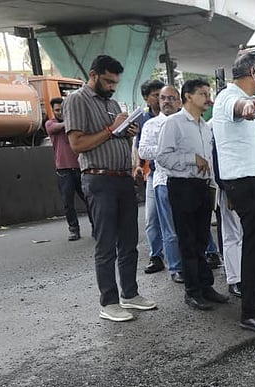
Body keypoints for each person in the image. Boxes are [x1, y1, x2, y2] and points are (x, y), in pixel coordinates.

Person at [65, 54, 157, 322]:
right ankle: (109, 302)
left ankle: (130, 293)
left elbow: (115, 134)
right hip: (99, 178)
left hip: (122, 178)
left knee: (129, 241)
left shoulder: (112, 102)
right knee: (106, 244)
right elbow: (78, 144)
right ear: (93, 75)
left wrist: (126, 131)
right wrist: (111, 128)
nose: (112, 86)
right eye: (107, 81)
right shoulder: (76, 100)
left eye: (115, 82)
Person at [213, 53, 255, 333]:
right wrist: (246, 107)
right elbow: (238, 106)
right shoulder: (229, 96)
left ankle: (254, 303)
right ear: (254, 71)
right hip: (248, 184)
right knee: (254, 247)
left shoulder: (233, 96)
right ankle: (249, 313)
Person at [157, 79, 229, 311]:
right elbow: (163, 157)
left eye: (208, 94)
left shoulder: (204, 126)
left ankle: (205, 285)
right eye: (202, 94)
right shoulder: (174, 123)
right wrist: (191, 159)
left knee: (201, 239)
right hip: (182, 186)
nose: (208, 99)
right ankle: (192, 291)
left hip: (202, 187)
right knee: (187, 240)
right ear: (188, 96)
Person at [138, 85, 184, 284]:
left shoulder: (187, 122)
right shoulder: (152, 125)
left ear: (180, 101)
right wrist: (167, 150)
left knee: (190, 227)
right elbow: (144, 151)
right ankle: (176, 267)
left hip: (187, 179)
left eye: (171, 98)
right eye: (163, 98)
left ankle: (195, 262)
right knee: (169, 229)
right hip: (164, 181)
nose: (166, 102)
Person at [45, 97, 91, 241]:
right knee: (68, 203)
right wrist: (71, 122)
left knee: (90, 200)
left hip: (80, 167)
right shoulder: (51, 124)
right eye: (57, 110)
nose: (60, 112)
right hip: (64, 170)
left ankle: (97, 226)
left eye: (62, 109)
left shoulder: (75, 124)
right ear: (53, 111)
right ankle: (73, 230)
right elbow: (54, 128)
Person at [134, 79, 166, 275]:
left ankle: (208, 251)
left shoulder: (177, 116)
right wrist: (138, 166)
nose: (160, 99)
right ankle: (156, 256)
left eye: (162, 94)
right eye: (156, 95)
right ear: (146, 98)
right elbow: (139, 146)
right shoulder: (143, 119)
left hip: (176, 174)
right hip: (154, 174)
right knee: (151, 218)